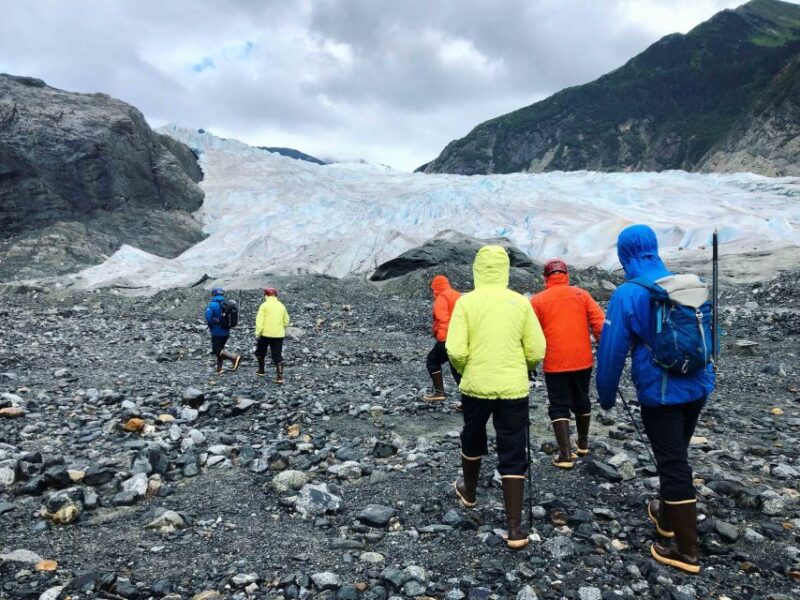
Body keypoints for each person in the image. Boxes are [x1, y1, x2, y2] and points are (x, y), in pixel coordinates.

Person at [596, 224, 714, 575]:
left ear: (625, 254)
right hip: (698, 384)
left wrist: (605, 395)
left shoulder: (628, 293)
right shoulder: (685, 283)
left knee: (672, 464)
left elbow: (612, 351)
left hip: (660, 393)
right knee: (675, 453)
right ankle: (665, 518)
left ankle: (687, 550)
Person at [446, 245, 546, 550]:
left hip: (476, 385)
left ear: (477, 269)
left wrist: (465, 371)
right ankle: (515, 528)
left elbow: (455, 349)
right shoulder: (520, 303)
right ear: (505, 270)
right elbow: (536, 348)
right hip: (513, 387)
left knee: (473, 435)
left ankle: (470, 492)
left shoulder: (466, 303)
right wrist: (525, 367)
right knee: (513, 446)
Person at [531, 258, 605, 469]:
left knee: (559, 405)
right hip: (582, 360)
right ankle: (582, 443)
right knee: (582, 399)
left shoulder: (537, 300)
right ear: (567, 275)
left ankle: (565, 454)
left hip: (555, 362)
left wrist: (530, 360)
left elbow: (531, 334)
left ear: (545, 277)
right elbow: (599, 323)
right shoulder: (582, 295)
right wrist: (606, 349)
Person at [422, 275, 461, 402]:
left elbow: (442, 318)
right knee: (457, 369)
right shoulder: (457, 295)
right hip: (460, 337)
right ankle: (468, 401)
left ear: (435, 287)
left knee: (432, 360)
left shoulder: (442, 297)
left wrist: (443, 338)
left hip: (448, 338)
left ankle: (439, 392)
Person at [255, 287, 291, 383]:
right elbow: (286, 321)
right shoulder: (281, 306)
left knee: (260, 352)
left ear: (266, 295)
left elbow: (259, 321)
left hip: (265, 334)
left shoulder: (264, 305)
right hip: (278, 335)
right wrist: (281, 328)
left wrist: (258, 333)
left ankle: (261, 370)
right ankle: (279, 377)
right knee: (277, 355)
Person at [205, 288, 241, 374]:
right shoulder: (227, 304)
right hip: (226, 331)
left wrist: (212, 325)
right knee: (221, 350)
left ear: (213, 294)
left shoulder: (212, 305)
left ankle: (233, 357)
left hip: (217, 331)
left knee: (216, 350)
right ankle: (219, 369)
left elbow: (208, 317)